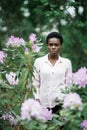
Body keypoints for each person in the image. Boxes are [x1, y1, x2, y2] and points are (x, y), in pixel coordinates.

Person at [32, 32, 72, 113]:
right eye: (51, 44)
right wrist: (37, 99)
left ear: (60, 46)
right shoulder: (39, 62)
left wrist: (66, 103)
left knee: (58, 126)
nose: (53, 47)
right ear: (47, 46)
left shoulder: (66, 63)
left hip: (60, 105)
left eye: (56, 45)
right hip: (42, 105)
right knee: (43, 125)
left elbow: (69, 84)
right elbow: (35, 83)